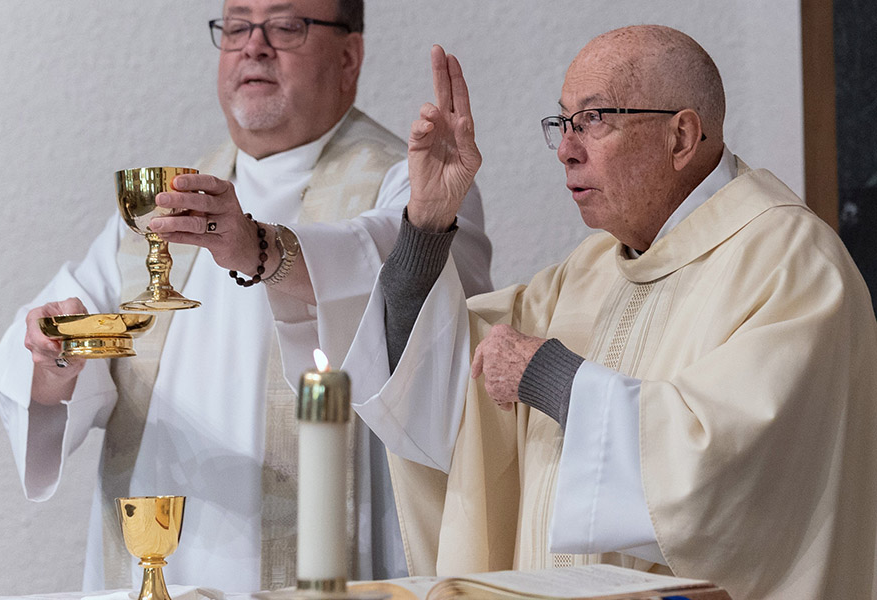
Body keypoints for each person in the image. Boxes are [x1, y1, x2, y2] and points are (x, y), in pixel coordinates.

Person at [341, 27, 877, 600]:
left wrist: (548, 375)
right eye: (563, 123)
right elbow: (437, 386)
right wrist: (427, 221)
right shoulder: (591, 267)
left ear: (682, 137)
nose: (568, 148)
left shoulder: (792, 263)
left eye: (595, 120)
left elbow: (730, 469)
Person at [0, 0, 492, 593]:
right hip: (160, 564)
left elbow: (394, 274)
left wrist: (259, 247)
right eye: (236, 26)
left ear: (349, 55)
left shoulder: (417, 180)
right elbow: (55, 358)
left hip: (334, 563)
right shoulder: (168, 200)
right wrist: (56, 354)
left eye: (285, 25)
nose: (254, 45)